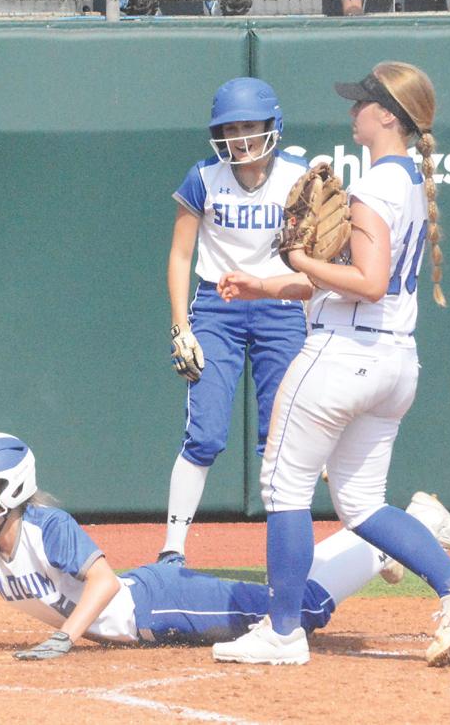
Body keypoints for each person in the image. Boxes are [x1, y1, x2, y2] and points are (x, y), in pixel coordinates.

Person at [210, 61, 450, 667]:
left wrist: (298, 257)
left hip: (343, 356)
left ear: (387, 115)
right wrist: (266, 284)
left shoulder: (372, 187)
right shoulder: (409, 185)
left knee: (283, 487)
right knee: (362, 503)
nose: (352, 113)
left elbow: (366, 282)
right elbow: (358, 284)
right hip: (394, 362)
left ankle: (283, 632)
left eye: (361, 104)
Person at [0, 432, 450, 660]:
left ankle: (406, 531)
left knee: (303, 611)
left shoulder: (48, 526)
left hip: (154, 604)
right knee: (289, 601)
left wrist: (64, 637)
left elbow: (102, 582)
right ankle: (391, 540)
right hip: (138, 618)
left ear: (12, 487)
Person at [161, 78, 309, 566]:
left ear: (272, 126)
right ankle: (172, 551)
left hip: (282, 305)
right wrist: (181, 325)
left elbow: (319, 259)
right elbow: (181, 255)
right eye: (230, 128)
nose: (240, 138)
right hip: (217, 305)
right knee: (204, 434)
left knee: (281, 439)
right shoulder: (204, 176)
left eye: (249, 126)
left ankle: (281, 558)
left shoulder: (300, 178)